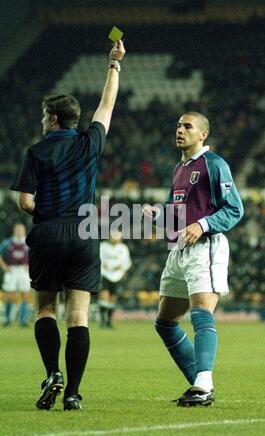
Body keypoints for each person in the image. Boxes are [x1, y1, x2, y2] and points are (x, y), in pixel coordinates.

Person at [10, 39, 126, 411]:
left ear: (54, 118)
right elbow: (106, 106)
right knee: (79, 315)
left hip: (48, 232)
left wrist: (46, 212)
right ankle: (73, 392)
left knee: (46, 309)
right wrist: (114, 65)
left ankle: (52, 373)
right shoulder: (89, 142)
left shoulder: (36, 150)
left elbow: (25, 201)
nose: (42, 120)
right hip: (84, 233)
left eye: (45, 115)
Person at [142, 111, 244, 407]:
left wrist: (202, 225)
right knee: (165, 323)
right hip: (178, 249)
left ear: (203, 134)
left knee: (201, 311)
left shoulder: (214, 164)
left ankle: (203, 384)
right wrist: (159, 214)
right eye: (178, 125)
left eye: (187, 126)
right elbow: (177, 214)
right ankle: (199, 384)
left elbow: (234, 209)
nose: (180, 130)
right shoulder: (179, 168)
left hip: (206, 247)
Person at [0, 223, 31, 327]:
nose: (19, 232)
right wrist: (4, 266)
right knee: (9, 294)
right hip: (11, 269)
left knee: (25, 294)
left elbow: (36, 254)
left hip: (23, 270)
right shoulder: (8, 242)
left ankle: (23, 320)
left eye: (21, 230)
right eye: (18, 230)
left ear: (24, 231)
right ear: (14, 231)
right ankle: (7, 319)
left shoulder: (29, 242)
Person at [99, 231, 132, 328]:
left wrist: (121, 268)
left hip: (117, 276)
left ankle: (109, 321)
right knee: (104, 296)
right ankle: (102, 320)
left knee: (113, 298)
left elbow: (127, 263)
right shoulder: (103, 246)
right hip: (104, 274)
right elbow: (98, 259)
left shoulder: (123, 248)